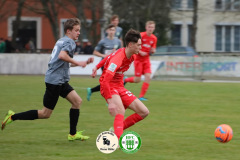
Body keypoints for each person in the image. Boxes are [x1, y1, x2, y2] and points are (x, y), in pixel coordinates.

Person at [1, 18, 94, 141]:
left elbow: (63, 62)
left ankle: (72, 134)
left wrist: (83, 62)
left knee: (77, 101)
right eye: (76, 30)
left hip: (59, 80)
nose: (78, 33)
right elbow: (62, 56)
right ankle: (12, 117)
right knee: (45, 114)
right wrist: (78, 62)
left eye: (79, 31)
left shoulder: (61, 41)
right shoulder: (70, 42)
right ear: (68, 31)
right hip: (55, 81)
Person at [91, 29, 149, 139]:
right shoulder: (118, 59)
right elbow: (105, 81)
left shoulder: (131, 54)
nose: (140, 47)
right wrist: (110, 101)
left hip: (119, 86)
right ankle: (116, 140)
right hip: (109, 86)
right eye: (138, 45)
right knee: (120, 110)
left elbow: (108, 56)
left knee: (144, 112)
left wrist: (96, 67)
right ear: (131, 44)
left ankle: (116, 130)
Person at [87, 24, 122, 101]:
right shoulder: (103, 41)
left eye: (113, 30)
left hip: (114, 64)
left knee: (109, 82)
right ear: (107, 31)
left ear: (115, 31)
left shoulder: (118, 41)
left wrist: (115, 54)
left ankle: (91, 90)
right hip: (105, 65)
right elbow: (95, 52)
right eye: (110, 30)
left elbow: (121, 52)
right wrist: (104, 55)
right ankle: (110, 99)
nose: (111, 32)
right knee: (108, 81)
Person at [124, 21, 157, 101]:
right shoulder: (141, 36)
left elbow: (153, 49)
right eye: (149, 27)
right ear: (146, 28)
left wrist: (153, 51)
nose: (150, 29)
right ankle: (125, 80)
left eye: (152, 27)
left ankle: (141, 96)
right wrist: (140, 52)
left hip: (146, 61)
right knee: (137, 80)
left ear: (154, 28)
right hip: (138, 60)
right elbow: (135, 46)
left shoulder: (154, 38)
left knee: (148, 77)